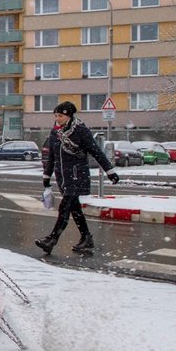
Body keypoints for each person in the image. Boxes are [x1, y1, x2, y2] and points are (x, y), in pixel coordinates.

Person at [36, 101, 119, 255]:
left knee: (65, 207)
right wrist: (47, 175)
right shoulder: (55, 132)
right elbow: (52, 156)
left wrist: (110, 171)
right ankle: (86, 238)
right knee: (75, 209)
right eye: (55, 115)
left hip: (76, 175)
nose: (57, 118)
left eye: (60, 115)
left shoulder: (81, 131)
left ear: (69, 116)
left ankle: (52, 239)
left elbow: (96, 151)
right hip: (63, 177)